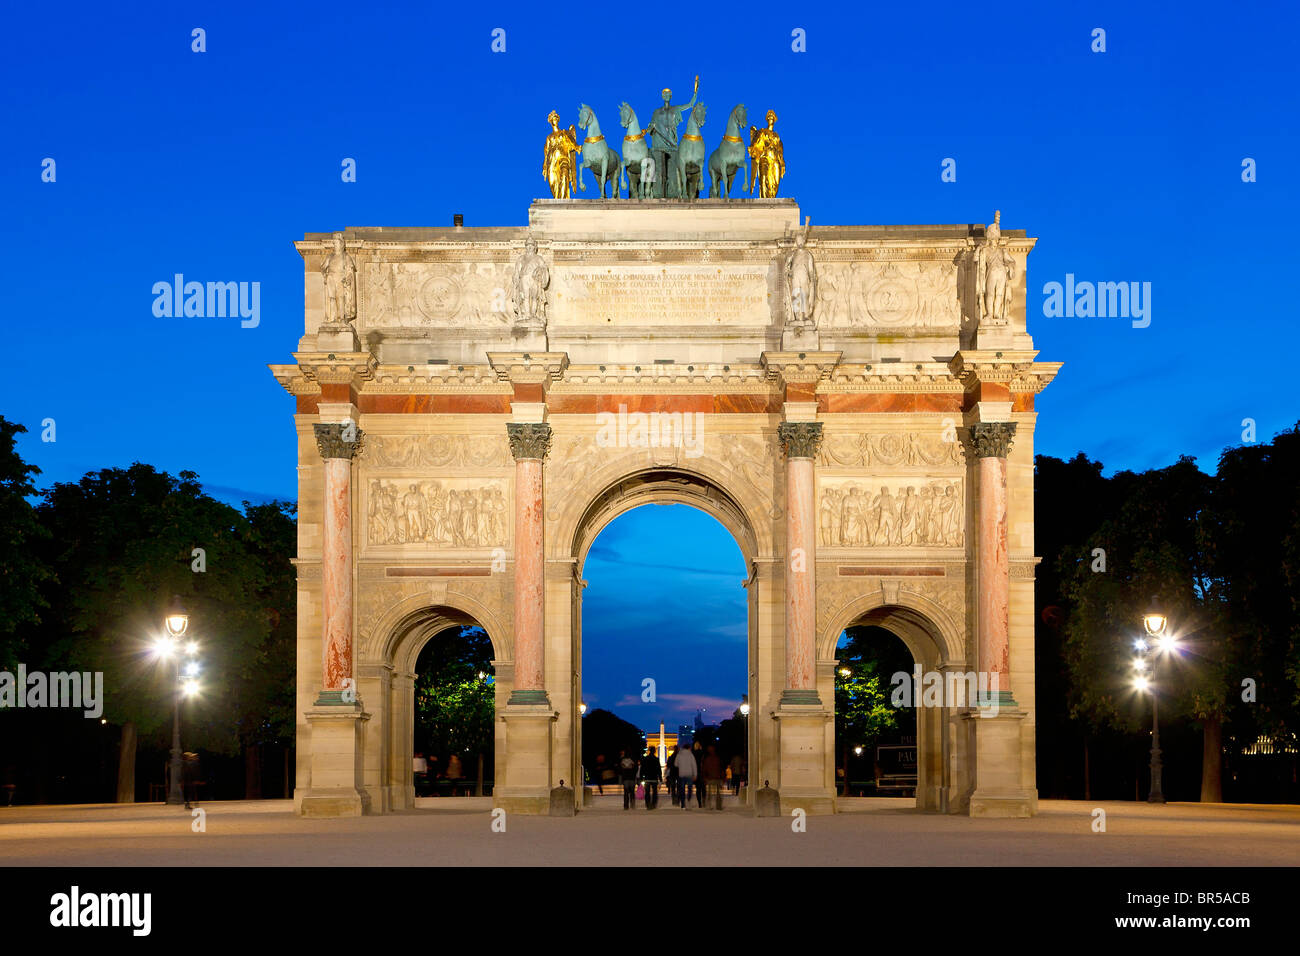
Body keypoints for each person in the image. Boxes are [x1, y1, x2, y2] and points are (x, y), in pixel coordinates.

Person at [674, 743, 697, 809]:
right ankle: (688, 799)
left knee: (682, 789)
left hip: (681, 774)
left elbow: (675, 764)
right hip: (689, 774)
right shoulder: (691, 755)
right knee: (690, 788)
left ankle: (683, 803)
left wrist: (681, 765)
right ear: (689, 748)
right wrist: (695, 774)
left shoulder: (679, 755)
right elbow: (694, 765)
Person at [638, 745, 662, 809]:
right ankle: (653, 804)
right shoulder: (656, 759)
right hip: (654, 778)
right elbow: (658, 769)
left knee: (647, 793)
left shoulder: (645, 759)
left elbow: (642, 769)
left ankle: (648, 804)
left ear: (649, 751)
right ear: (654, 751)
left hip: (647, 778)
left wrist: (641, 778)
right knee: (654, 793)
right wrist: (660, 779)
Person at [701, 744, 724, 810]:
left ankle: (710, 805)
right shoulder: (717, 758)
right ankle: (718, 806)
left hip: (711, 778)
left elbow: (704, 769)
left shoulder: (707, 759)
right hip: (716, 778)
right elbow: (721, 768)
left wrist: (705, 777)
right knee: (717, 793)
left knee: (711, 793)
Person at [692, 742, 707, 807]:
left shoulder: (693, 754)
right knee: (703, 788)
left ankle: (699, 803)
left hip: (696, 772)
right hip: (703, 772)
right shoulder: (702, 753)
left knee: (698, 789)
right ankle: (703, 800)